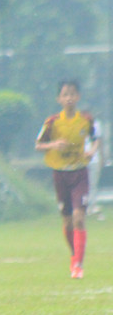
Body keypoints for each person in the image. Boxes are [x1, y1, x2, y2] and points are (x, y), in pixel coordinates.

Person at [35, 80, 99, 279]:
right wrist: (54, 144)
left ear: (78, 97)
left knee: (79, 218)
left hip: (80, 173)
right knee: (67, 221)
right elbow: (38, 145)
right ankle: (74, 255)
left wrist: (92, 151)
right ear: (59, 99)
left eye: (72, 94)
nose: (69, 98)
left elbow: (96, 139)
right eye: (65, 94)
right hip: (60, 174)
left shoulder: (85, 120)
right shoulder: (52, 122)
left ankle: (78, 265)